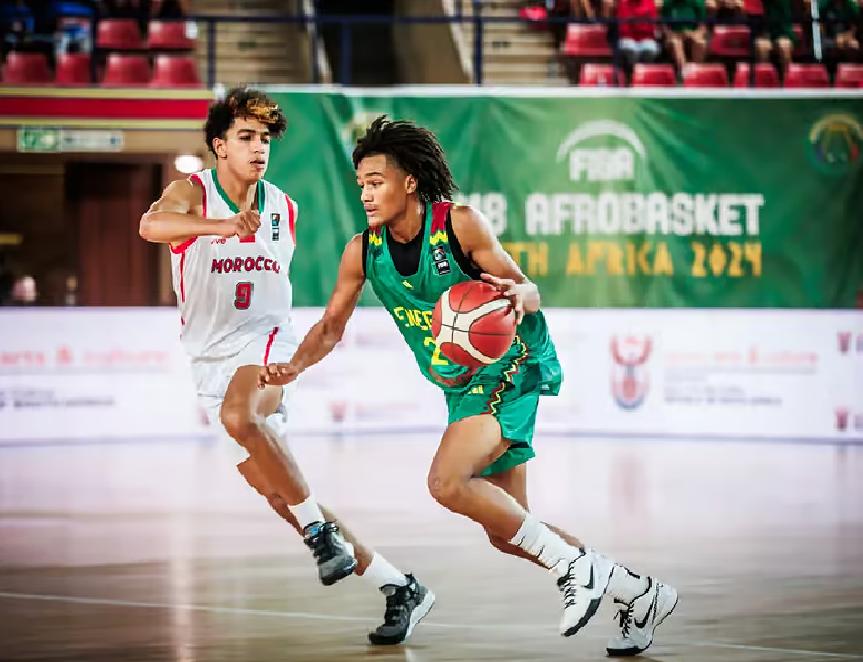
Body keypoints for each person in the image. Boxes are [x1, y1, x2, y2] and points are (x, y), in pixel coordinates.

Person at [259, 116, 679, 656]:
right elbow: (330, 328)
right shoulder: (363, 252)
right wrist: (293, 367)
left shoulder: (459, 223)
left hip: (512, 362)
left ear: (409, 181)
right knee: (508, 531)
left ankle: (579, 569)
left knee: (446, 482)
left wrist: (525, 296)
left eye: (376, 181)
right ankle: (638, 593)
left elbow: (525, 289)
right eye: (360, 183)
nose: (365, 193)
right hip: (462, 386)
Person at [138, 90, 434, 645]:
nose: (259, 148)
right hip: (208, 359)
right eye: (246, 137)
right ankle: (401, 586)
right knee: (285, 500)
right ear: (220, 145)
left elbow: (267, 290)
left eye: (266, 139)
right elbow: (151, 228)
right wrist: (222, 229)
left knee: (240, 417)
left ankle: (320, 533)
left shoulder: (284, 207)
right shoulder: (191, 192)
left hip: (266, 341)